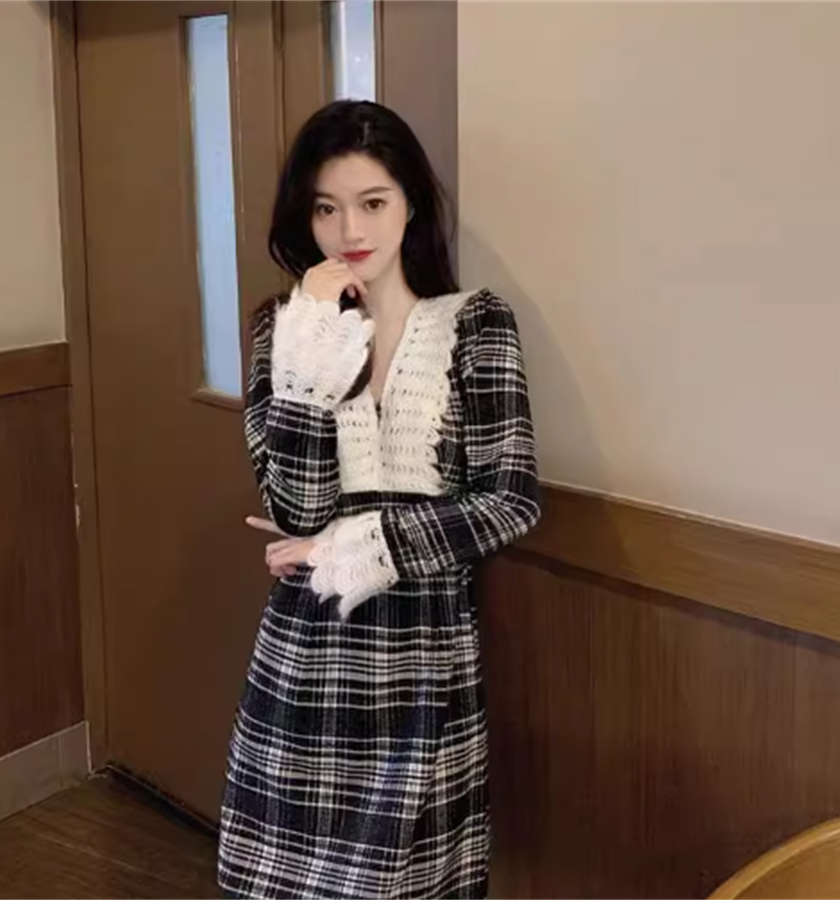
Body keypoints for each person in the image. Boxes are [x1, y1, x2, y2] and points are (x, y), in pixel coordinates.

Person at [218, 99, 541, 900]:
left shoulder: (476, 323)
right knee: (288, 879)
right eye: (325, 209)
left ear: (412, 204)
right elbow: (297, 505)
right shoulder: (282, 331)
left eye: (371, 202)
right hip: (308, 647)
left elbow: (510, 500)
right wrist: (312, 337)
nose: (348, 231)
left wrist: (350, 547)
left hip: (422, 645)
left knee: (405, 879)